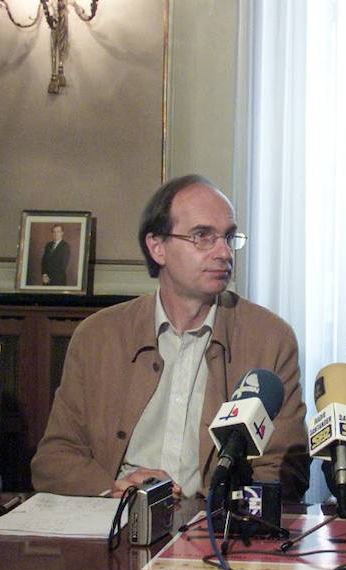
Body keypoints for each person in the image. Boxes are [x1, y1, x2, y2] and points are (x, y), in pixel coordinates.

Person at [31, 174, 308, 505]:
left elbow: (283, 468)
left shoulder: (270, 338)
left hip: (212, 529)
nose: (224, 252)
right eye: (203, 236)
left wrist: (215, 511)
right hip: (114, 519)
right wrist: (114, 488)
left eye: (229, 237)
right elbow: (53, 458)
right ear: (157, 246)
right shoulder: (97, 336)